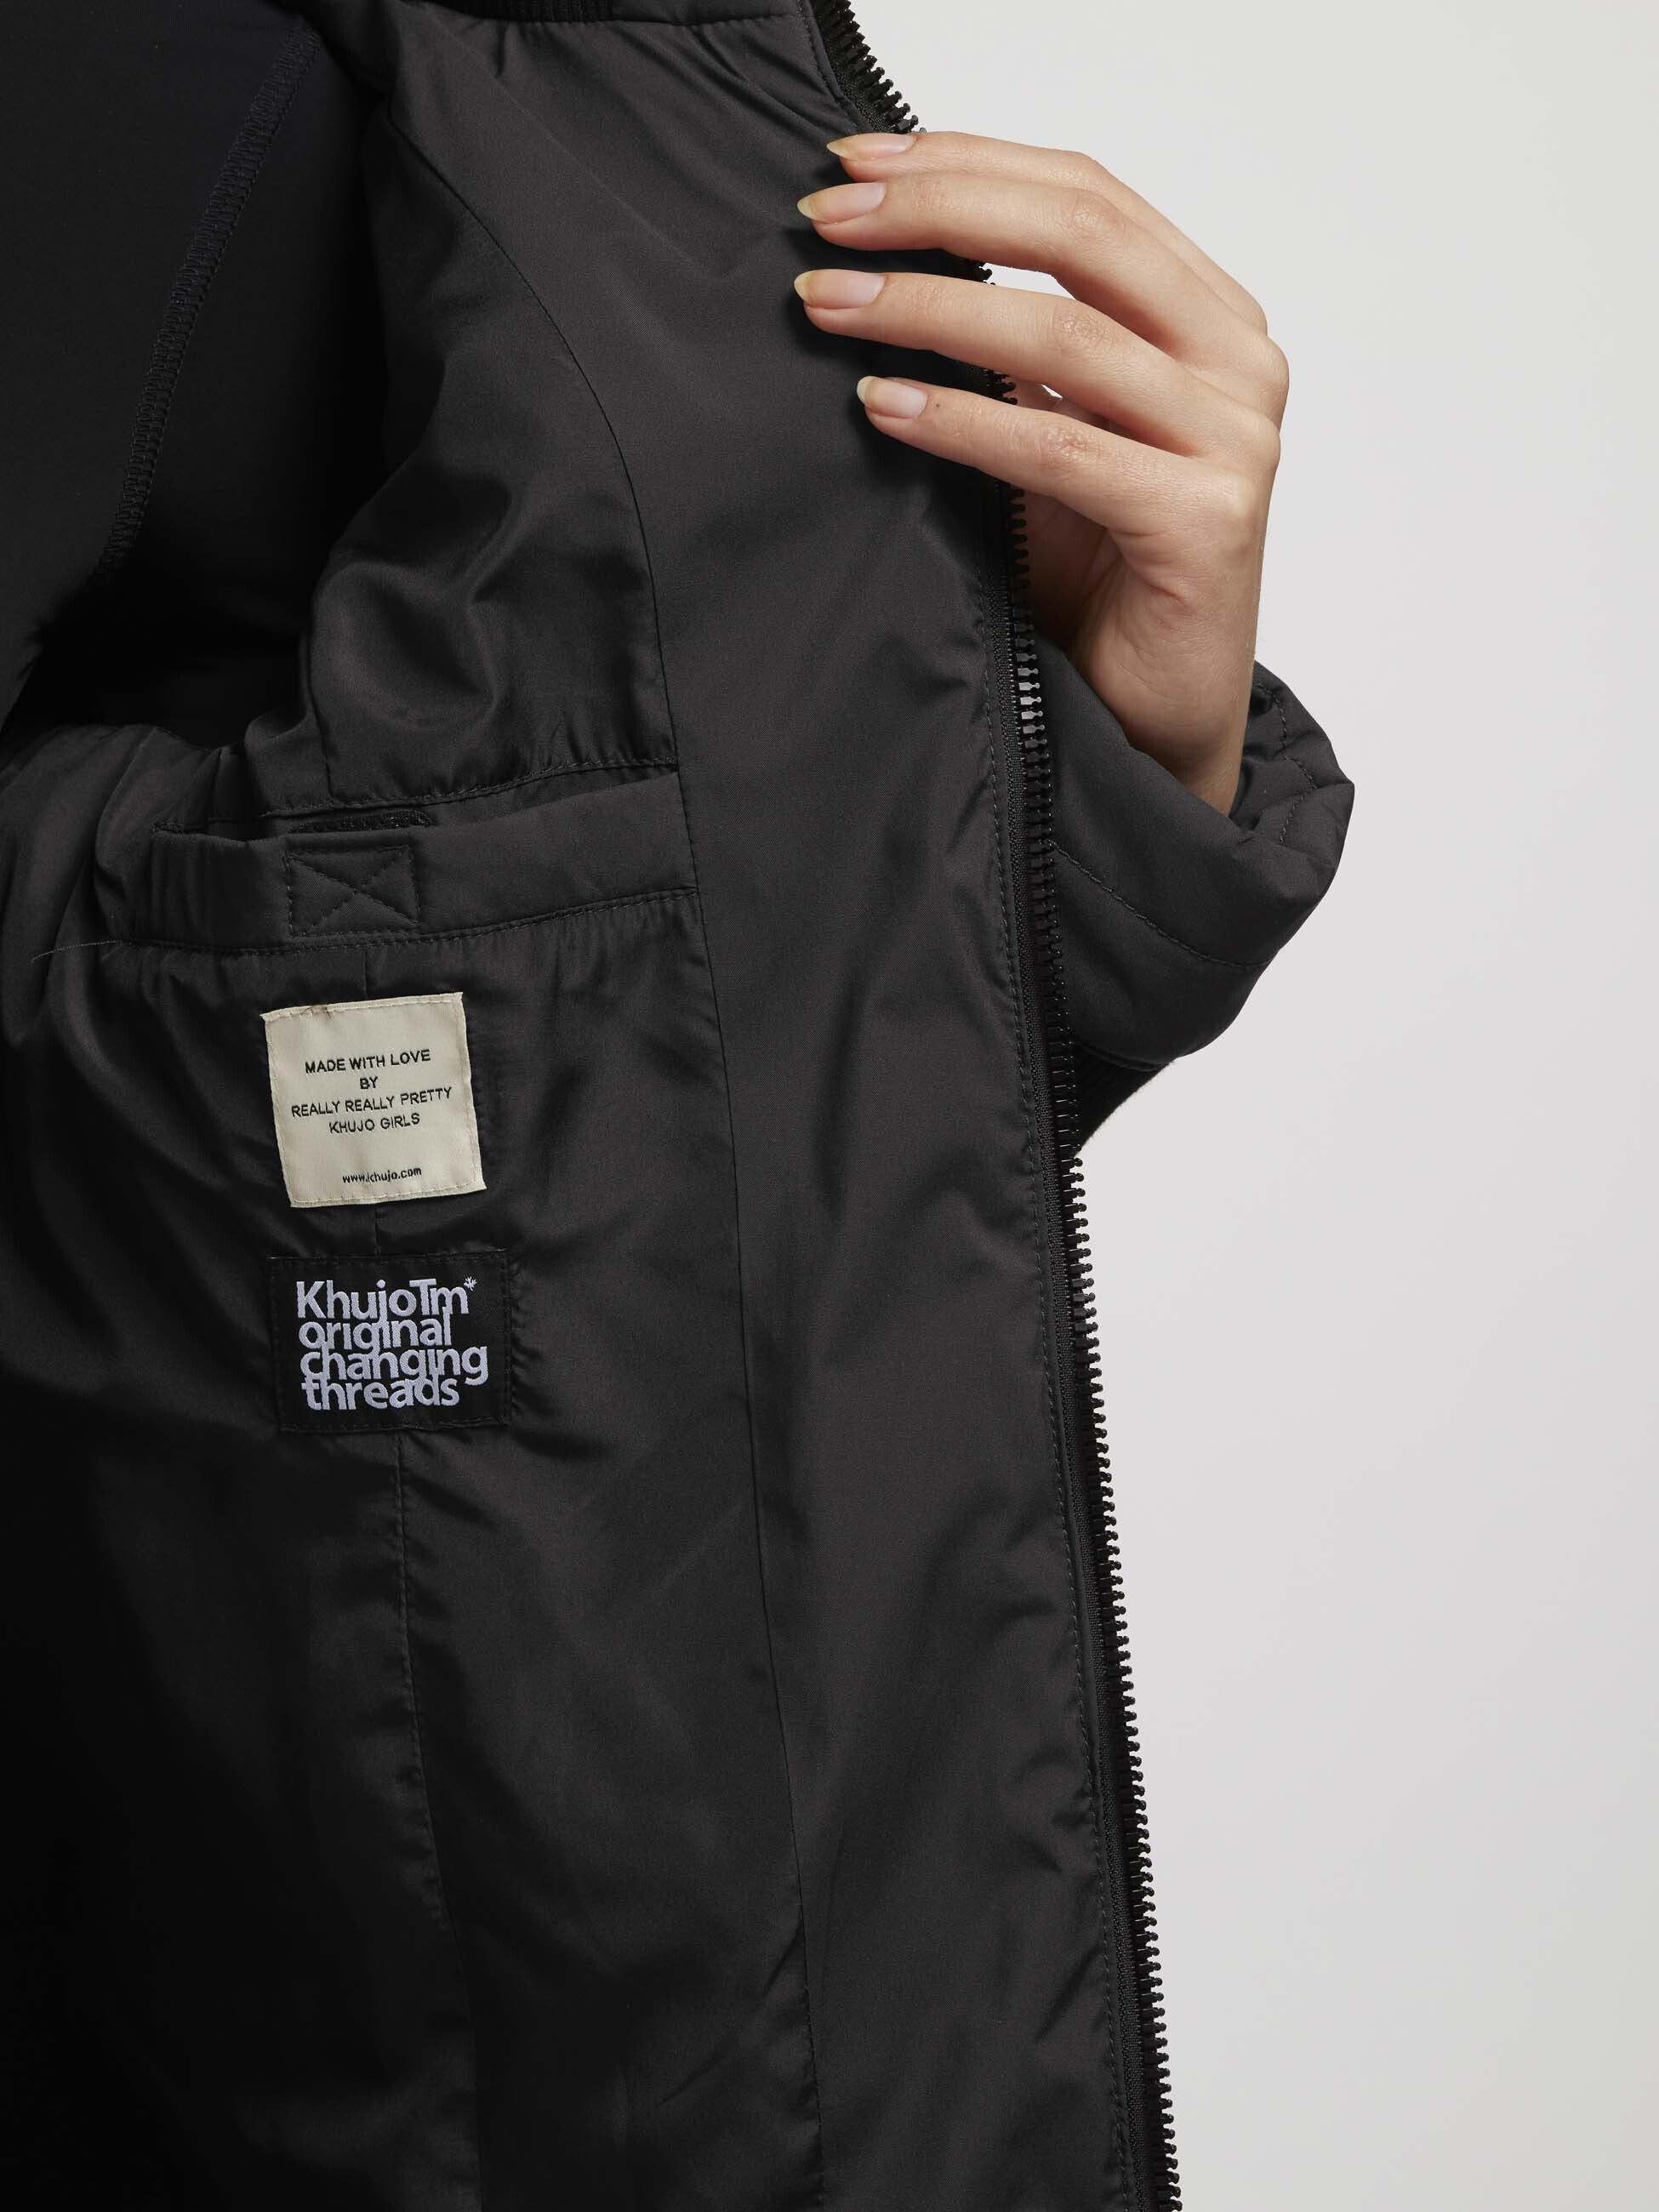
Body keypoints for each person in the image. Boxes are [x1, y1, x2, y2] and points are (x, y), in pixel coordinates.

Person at [0, 3, 1352, 2204]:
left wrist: (1085, 781)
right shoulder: (156, 75)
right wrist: (363, 968)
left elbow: (676, 1124)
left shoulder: (643, 68)